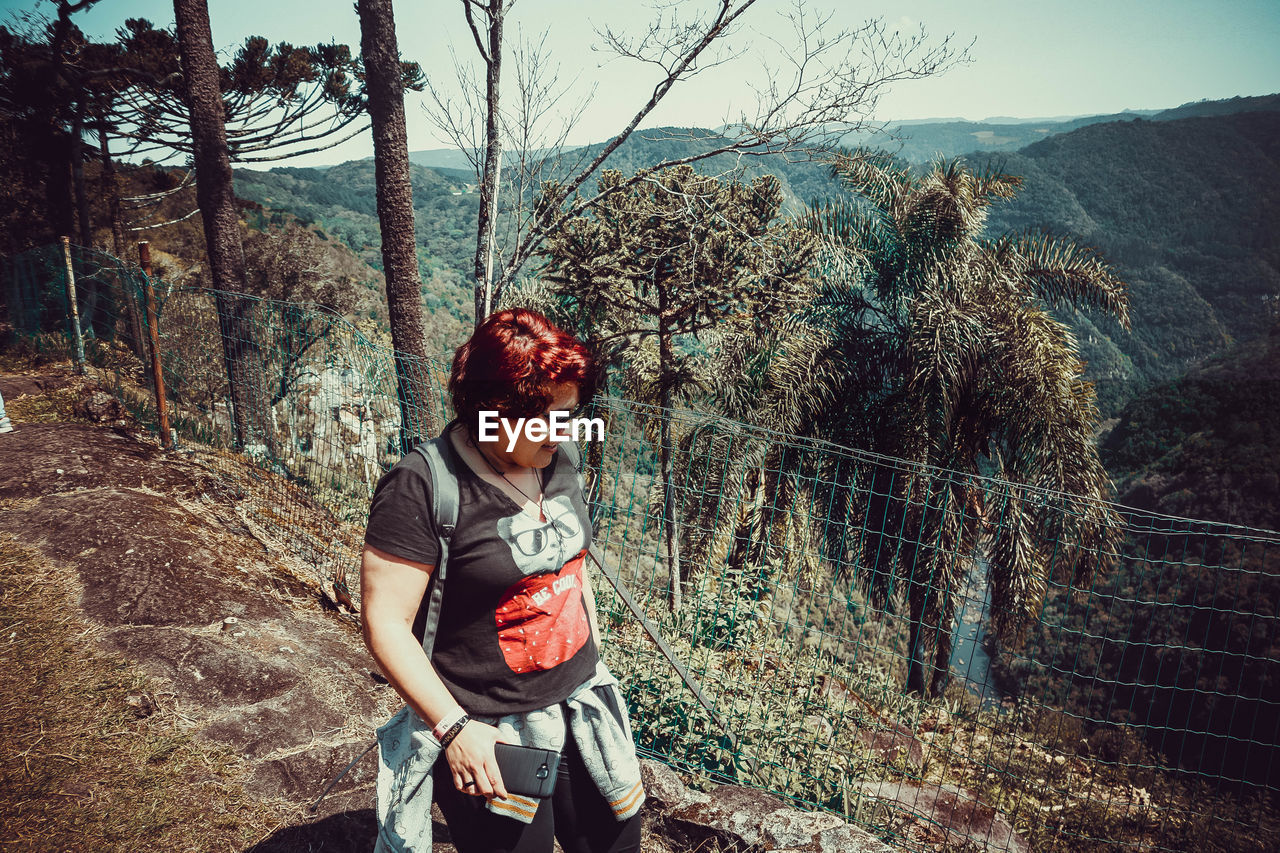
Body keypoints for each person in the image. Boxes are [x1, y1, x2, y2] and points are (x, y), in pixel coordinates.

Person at [361, 308, 644, 853]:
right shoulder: (423, 487)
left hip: (582, 706)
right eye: (552, 417)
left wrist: (595, 654)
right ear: (495, 411)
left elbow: (572, 561)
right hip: (488, 728)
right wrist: (454, 729)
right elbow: (384, 623)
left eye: (572, 415)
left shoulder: (559, 458)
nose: (567, 431)